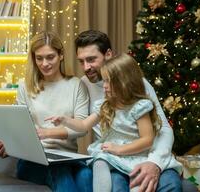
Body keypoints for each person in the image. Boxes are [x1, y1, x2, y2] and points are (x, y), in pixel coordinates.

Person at [75, 30, 183, 192]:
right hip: (115, 158)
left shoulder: (136, 84)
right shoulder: (82, 85)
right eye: (81, 61)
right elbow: (81, 125)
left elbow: (164, 129)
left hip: (147, 152)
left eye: (91, 60)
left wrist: (154, 163)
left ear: (108, 54)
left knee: (171, 183)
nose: (86, 67)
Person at [47, 53, 163, 192]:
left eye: (109, 81)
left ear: (125, 81)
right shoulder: (105, 105)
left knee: (138, 184)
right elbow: (83, 125)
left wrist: (120, 149)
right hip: (111, 154)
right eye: (104, 80)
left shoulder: (139, 107)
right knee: (100, 161)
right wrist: (65, 120)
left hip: (135, 155)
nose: (105, 86)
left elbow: (147, 140)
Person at [0, 31, 92, 192]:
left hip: (67, 156)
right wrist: (8, 146)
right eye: (39, 58)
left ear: (60, 55)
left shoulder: (76, 85)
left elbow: (81, 128)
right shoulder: (25, 87)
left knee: (86, 175)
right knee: (61, 173)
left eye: (50, 57)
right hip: (34, 159)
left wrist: (48, 133)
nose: (44, 63)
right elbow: (18, 127)